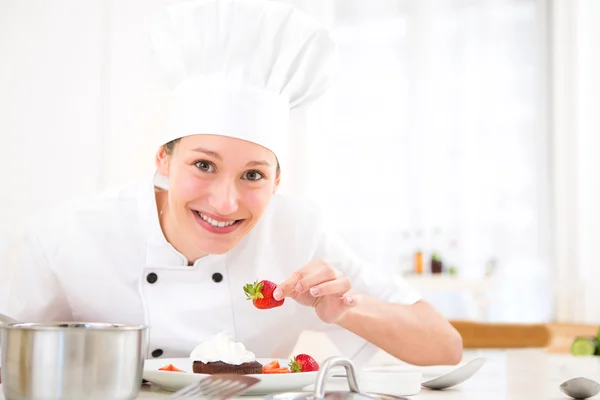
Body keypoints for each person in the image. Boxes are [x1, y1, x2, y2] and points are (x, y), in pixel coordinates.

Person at [0, 0, 462, 367]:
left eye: (253, 175)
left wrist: (348, 309)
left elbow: (444, 346)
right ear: (164, 159)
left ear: (277, 180)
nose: (225, 201)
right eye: (203, 165)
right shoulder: (69, 236)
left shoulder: (298, 233)